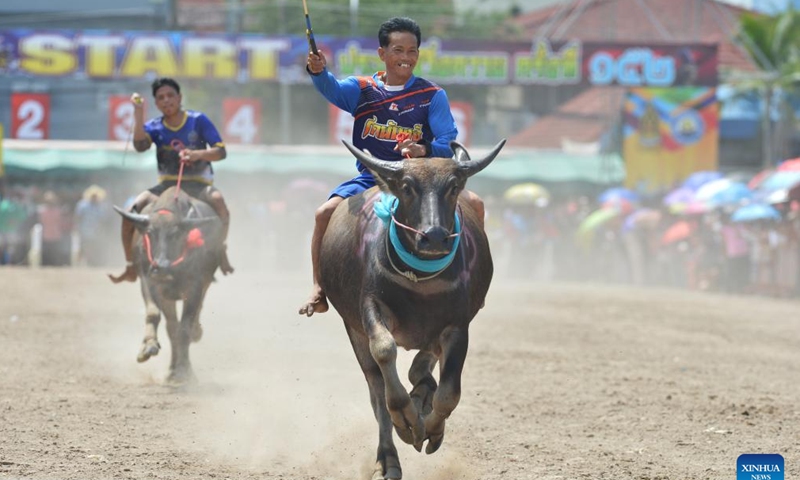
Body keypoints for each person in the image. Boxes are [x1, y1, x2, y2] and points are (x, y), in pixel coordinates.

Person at [298, 16, 485, 316]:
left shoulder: (432, 96)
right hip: (372, 179)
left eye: (412, 51)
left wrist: (423, 148)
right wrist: (317, 71)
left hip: (421, 182)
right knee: (323, 214)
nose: (406, 58)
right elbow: (330, 88)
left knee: (475, 204)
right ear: (382, 53)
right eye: (398, 50)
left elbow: (448, 141)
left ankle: (473, 282)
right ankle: (319, 288)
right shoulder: (361, 89)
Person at [109, 77, 234, 283]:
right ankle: (131, 265)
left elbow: (221, 152)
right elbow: (140, 146)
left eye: (170, 96)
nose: (166, 100)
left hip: (199, 184)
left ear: (179, 97)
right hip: (167, 185)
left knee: (220, 204)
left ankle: (220, 250)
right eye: (161, 98)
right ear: (156, 103)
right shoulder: (154, 127)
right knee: (131, 211)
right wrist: (138, 112)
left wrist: (197, 155)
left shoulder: (198, 120)